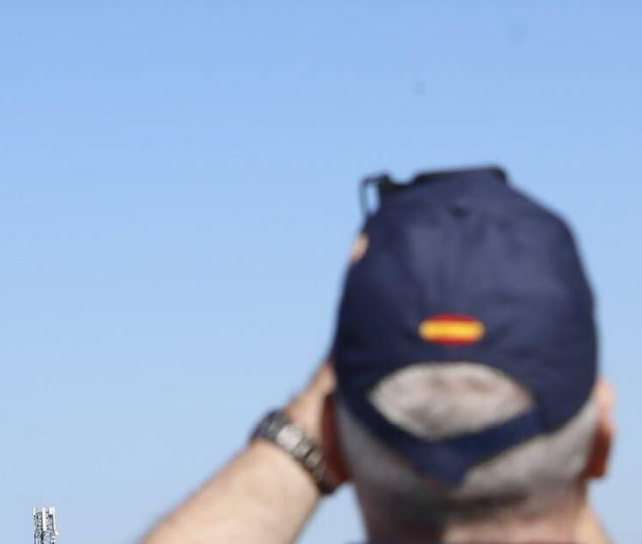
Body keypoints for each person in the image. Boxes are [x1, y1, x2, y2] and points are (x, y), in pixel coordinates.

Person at [139, 167, 615, 544]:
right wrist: (565, 478)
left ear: (335, 439)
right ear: (601, 441)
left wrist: (305, 431)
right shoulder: (595, 440)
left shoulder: (325, 427)